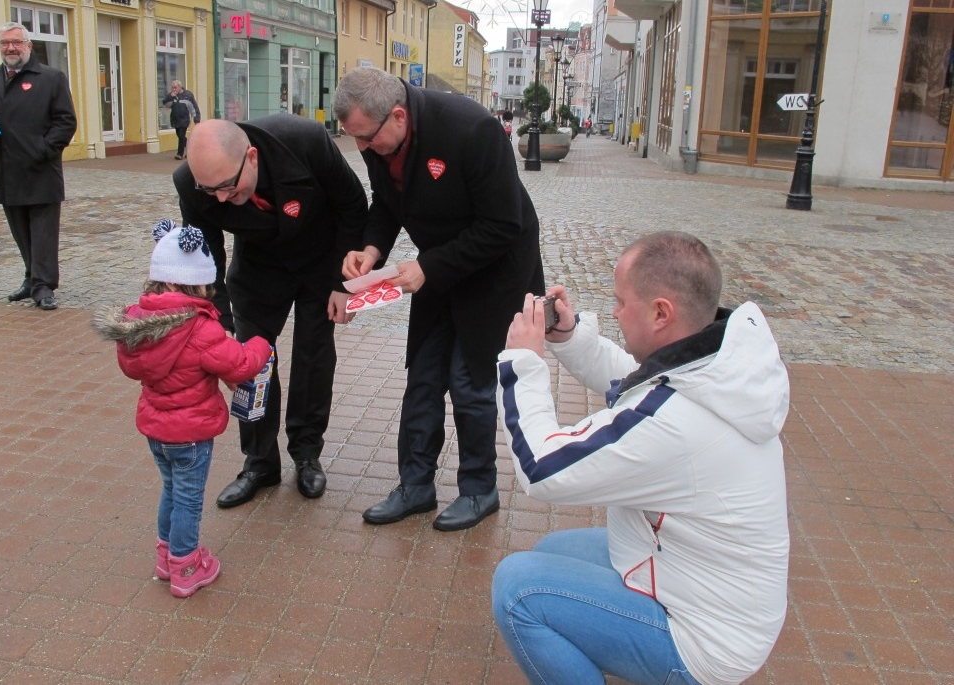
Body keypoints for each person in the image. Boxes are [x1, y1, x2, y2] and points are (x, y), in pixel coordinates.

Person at [492, 231, 790, 685]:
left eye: (620, 301)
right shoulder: (716, 365)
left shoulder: (677, 422)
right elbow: (630, 381)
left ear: (660, 312)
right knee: (552, 551)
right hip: (711, 591)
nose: (613, 312)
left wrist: (522, 361)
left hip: (705, 641)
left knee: (518, 588)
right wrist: (569, 338)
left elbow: (542, 469)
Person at [334, 67, 545, 531]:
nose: (362, 150)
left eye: (366, 139)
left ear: (398, 116)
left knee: (470, 383)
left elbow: (503, 225)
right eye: (355, 140)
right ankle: (416, 486)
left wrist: (428, 267)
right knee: (425, 376)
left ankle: (479, 489)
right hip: (437, 268)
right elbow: (386, 203)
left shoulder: (472, 128)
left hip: (496, 270)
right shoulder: (376, 138)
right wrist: (371, 249)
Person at [173, 117, 368, 508]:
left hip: (320, 262)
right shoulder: (192, 183)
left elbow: (352, 205)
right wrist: (218, 318)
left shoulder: (306, 141)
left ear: (252, 157)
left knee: (314, 358)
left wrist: (342, 285)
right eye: (211, 191)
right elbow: (206, 252)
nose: (222, 199)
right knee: (249, 364)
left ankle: (307, 453)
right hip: (258, 269)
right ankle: (260, 462)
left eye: (229, 186)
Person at [92, 219, 272, 598]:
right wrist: (260, 343)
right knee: (188, 500)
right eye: (204, 288)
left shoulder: (138, 324)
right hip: (191, 435)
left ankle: (166, 557)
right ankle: (186, 566)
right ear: (182, 285)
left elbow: (131, 369)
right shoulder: (200, 328)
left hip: (156, 430)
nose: (208, 295)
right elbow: (239, 364)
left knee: (171, 492)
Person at [0, 22, 77, 311]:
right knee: (20, 231)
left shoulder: (51, 78)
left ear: (29, 45)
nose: (10, 48)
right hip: (7, 169)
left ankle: (44, 286)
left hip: (41, 169)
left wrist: (43, 149)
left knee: (43, 232)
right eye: (5, 43)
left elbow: (66, 121)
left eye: (16, 42)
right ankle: (31, 278)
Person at [163, 80, 201, 160]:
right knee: (181, 136)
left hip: (185, 119)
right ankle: (190, 147)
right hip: (175, 119)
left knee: (181, 136)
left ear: (180, 87)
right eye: (173, 87)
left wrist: (196, 118)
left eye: (175, 87)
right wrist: (171, 96)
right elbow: (165, 104)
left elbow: (193, 107)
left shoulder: (188, 95)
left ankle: (179, 154)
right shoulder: (172, 96)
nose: (174, 89)